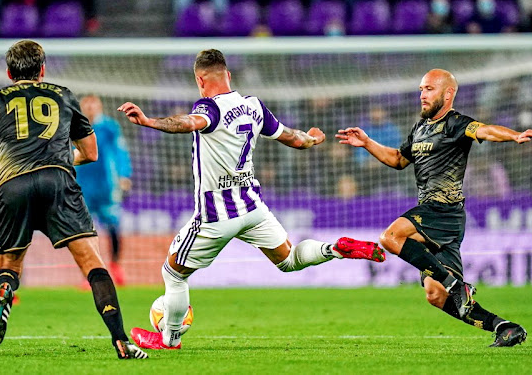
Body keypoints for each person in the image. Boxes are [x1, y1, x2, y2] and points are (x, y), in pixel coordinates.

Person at [118, 49, 386, 350]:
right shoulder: (254, 106)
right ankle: (335, 249)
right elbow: (293, 138)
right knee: (289, 259)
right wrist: (312, 139)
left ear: (200, 80)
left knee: (173, 273)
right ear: (228, 75)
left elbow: (190, 122)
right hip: (253, 207)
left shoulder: (209, 107)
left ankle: (170, 338)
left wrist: (149, 121)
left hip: (216, 214)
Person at [0, 40, 147, 360]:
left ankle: (5, 289)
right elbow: (91, 153)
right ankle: (121, 340)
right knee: (92, 262)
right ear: (42, 70)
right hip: (58, 182)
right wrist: (58, 157)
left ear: (8, 72)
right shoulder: (64, 95)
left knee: (8, 266)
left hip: (12, 184)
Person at [337, 69, 532, 347]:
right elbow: (398, 159)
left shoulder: (456, 123)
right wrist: (368, 143)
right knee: (435, 295)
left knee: (391, 237)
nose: (422, 94)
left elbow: (484, 130)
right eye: (421, 88)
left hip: (444, 211)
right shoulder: (420, 128)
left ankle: (458, 287)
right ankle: (505, 327)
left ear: (448, 94)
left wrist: (514, 135)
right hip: (435, 215)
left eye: (429, 89)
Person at [76, 95, 132, 285]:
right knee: (84, 232)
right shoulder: (74, 126)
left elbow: (120, 151)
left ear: (99, 107)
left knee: (113, 227)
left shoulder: (109, 127)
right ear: (82, 107)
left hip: (106, 187)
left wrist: (124, 175)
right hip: (82, 187)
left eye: (94, 105)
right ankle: (90, 273)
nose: (90, 108)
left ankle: (116, 266)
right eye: (87, 105)